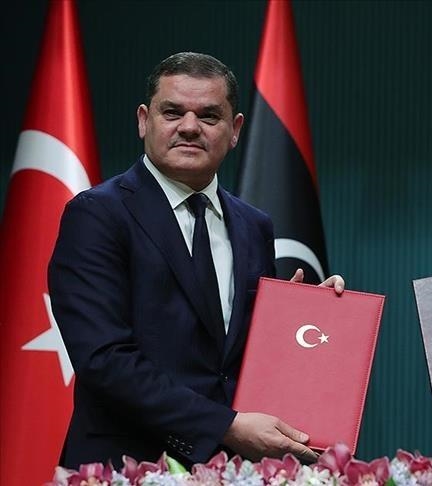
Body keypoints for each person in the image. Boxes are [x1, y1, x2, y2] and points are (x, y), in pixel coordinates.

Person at [48, 52, 344, 469]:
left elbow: (236, 358)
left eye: (208, 115)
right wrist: (224, 426)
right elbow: (104, 359)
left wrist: (297, 322)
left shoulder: (253, 225)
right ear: (144, 121)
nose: (189, 127)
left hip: (233, 469)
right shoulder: (97, 215)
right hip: (127, 465)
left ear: (235, 129)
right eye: (172, 112)